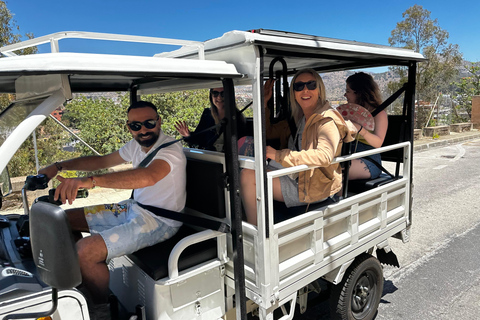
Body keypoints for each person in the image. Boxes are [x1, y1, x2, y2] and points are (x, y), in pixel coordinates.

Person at [39, 101, 186, 305]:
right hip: (134, 208)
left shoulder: (170, 150)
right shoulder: (136, 145)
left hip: (160, 221)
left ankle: (100, 307)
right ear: (129, 128)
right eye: (136, 126)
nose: (143, 130)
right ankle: (85, 281)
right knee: (62, 220)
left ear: (159, 122)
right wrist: (59, 166)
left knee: (84, 252)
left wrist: (90, 182)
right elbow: (102, 162)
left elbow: (149, 177)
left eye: (149, 123)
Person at [241, 69, 354, 225]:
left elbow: (324, 156)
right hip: (300, 176)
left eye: (311, 85)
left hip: (313, 187)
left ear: (319, 89)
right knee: (250, 170)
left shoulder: (326, 120)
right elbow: (269, 131)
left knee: (248, 176)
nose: (305, 90)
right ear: (293, 93)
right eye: (299, 86)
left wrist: (279, 155)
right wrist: (265, 103)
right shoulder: (302, 118)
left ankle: (254, 235)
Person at [343, 72, 388, 180]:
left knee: (336, 171)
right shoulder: (350, 112)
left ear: (359, 93)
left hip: (369, 160)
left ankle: (338, 197)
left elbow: (378, 143)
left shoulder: (378, 114)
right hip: (348, 153)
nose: (345, 95)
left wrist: (360, 129)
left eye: (348, 91)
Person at [174, 87, 247, 151]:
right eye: (215, 93)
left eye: (223, 93)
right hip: (210, 158)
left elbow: (242, 144)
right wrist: (187, 135)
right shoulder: (207, 114)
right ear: (211, 96)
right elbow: (199, 139)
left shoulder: (237, 118)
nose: (219, 97)